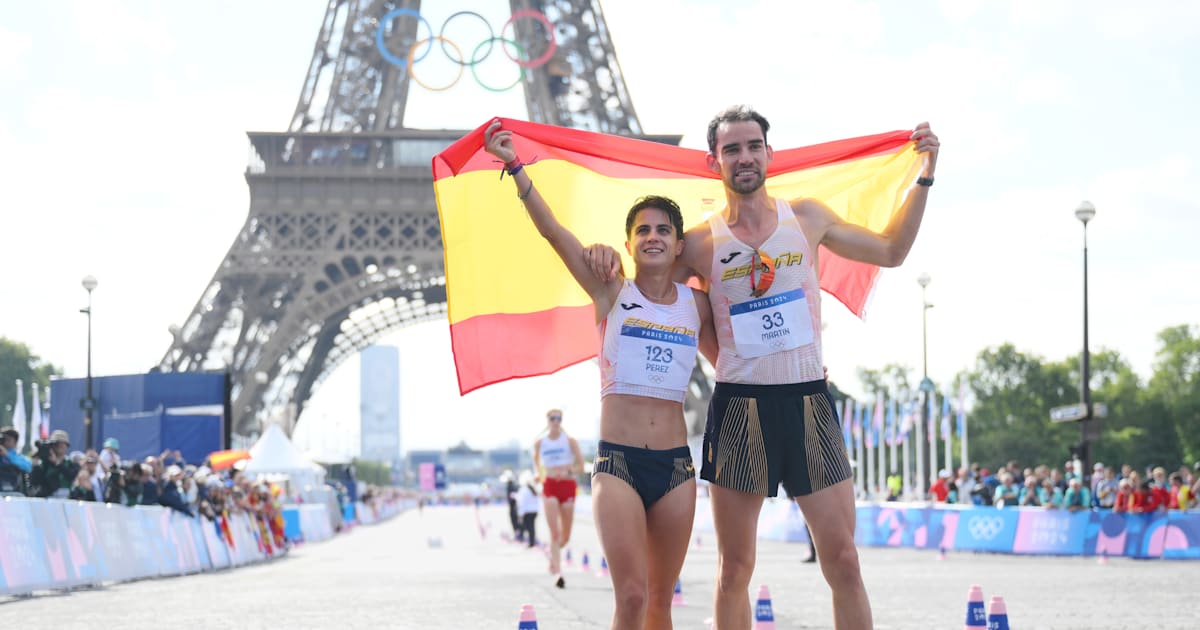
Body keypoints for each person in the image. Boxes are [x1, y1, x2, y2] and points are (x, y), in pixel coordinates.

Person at [585, 105, 938, 628]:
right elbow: (645, 277)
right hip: (739, 410)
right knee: (734, 571)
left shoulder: (808, 218)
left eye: (753, 146)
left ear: (770, 155)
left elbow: (892, 251)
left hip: (808, 402)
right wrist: (603, 256)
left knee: (843, 561)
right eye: (732, 149)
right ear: (714, 161)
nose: (744, 157)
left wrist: (925, 174)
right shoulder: (699, 243)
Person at [485, 118, 715, 625]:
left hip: (677, 467)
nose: (653, 237)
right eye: (642, 231)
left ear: (680, 246)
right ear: (628, 245)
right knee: (630, 597)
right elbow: (552, 232)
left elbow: (742, 340)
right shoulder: (611, 292)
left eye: (664, 230)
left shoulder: (698, 306)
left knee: (661, 600)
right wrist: (516, 167)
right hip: (619, 466)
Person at [0, 425, 33, 495]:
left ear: (15, 442)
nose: (5, 442)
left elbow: (28, 467)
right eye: (3, 440)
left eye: (8, 440)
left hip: (15, 493)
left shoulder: (19, 457)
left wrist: (8, 456)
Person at [515, 470, 540, 548]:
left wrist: (520, 514)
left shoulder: (524, 490)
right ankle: (532, 541)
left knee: (529, 527)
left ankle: (531, 542)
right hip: (534, 511)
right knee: (532, 526)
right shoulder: (533, 489)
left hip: (527, 512)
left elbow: (522, 503)